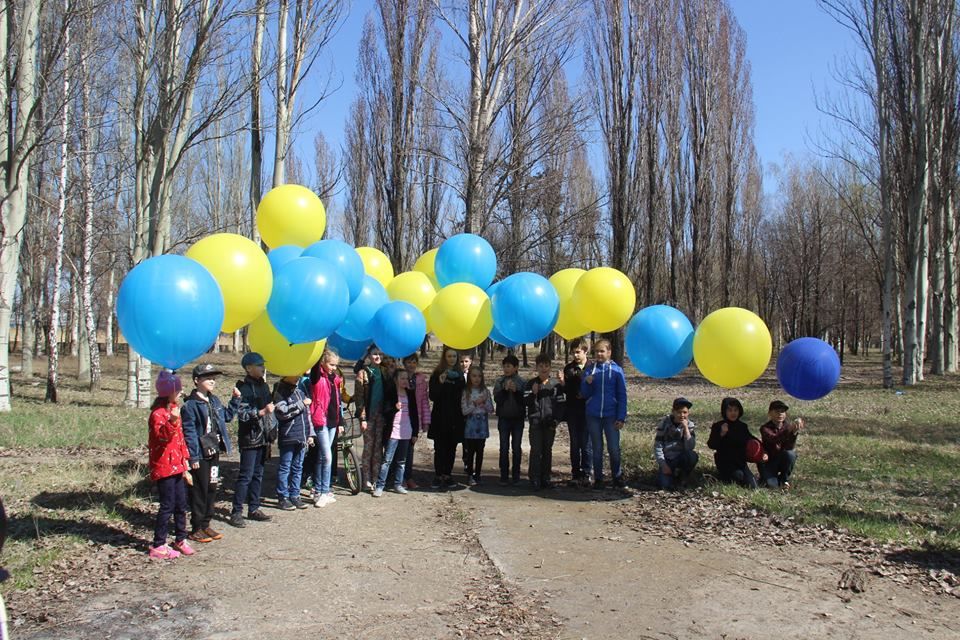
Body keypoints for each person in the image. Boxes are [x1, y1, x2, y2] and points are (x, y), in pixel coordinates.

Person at [182, 362, 239, 543]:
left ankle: (206, 523)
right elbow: (190, 433)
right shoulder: (190, 405)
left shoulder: (214, 401)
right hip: (200, 454)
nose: (212, 381)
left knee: (212, 488)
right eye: (208, 378)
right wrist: (194, 457)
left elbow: (227, 417)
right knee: (200, 489)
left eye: (214, 378)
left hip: (213, 451)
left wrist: (235, 400)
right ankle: (196, 526)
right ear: (196, 381)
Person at [147, 370, 194, 559]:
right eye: (178, 389)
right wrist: (173, 421)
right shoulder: (157, 414)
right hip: (164, 467)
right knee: (167, 505)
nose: (181, 392)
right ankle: (159, 544)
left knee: (181, 504)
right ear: (169, 391)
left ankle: (180, 538)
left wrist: (186, 464)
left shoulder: (174, 409)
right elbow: (161, 438)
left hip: (178, 466)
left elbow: (180, 440)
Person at [230, 353, 275, 528]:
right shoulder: (244, 388)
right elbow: (242, 415)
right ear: (248, 368)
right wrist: (262, 412)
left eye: (263, 364)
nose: (263, 367)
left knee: (258, 474)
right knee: (245, 476)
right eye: (258, 365)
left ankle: (254, 508)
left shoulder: (263, 386)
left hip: (263, 437)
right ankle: (236, 512)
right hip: (249, 438)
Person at [580, 339, 627, 489]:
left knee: (613, 448)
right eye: (597, 351)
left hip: (611, 415)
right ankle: (598, 479)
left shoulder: (616, 371)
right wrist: (587, 382)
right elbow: (584, 394)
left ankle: (617, 476)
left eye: (602, 351)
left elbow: (622, 395)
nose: (599, 354)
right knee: (597, 448)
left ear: (609, 352)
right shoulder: (590, 370)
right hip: (593, 415)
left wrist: (621, 417)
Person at [373, 369, 418, 497]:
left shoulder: (410, 393)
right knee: (387, 460)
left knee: (401, 460)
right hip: (393, 431)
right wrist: (394, 408)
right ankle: (380, 485)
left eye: (406, 378)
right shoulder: (390, 393)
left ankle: (398, 484)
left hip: (406, 431)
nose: (405, 381)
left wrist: (415, 433)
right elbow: (385, 410)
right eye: (402, 378)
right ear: (396, 380)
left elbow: (414, 414)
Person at [273, 374, 315, 510]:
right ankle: (283, 497)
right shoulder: (279, 391)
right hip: (288, 436)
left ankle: (295, 495)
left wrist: (311, 434)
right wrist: (301, 404)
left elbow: (307, 415)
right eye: (294, 374)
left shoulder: (300, 391)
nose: (297, 377)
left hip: (302, 436)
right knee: (285, 467)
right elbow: (282, 413)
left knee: (298, 467)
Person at [310, 349, 345, 506]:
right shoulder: (317, 377)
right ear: (323, 362)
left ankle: (321, 490)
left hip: (332, 422)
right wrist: (319, 348)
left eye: (335, 365)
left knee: (323, 457)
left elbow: (338, 402)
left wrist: (340, 422)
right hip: (321, 421)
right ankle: (323, 491)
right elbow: (315, 368)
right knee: (327, 457)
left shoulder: (336, 379)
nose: (333, 368)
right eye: (331, 364)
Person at [428, 346, 465, 489]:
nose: (452, 359)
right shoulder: (437, 374)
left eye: (454, 357)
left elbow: (462, 395)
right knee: (439, 447)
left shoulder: (460, 376)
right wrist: (440, 383)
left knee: (451, 447)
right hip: (440, 416)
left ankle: (448, 475)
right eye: (449, 356)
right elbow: (433, 396)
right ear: (444, 358)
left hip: (455, 417)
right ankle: (438, 475)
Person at [525, 354, 564, 490]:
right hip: (535, 422)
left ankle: (545, 477)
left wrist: (556, 420)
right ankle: (534, 478)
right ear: (536, 367)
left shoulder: (555, 385)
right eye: (541, 366)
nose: (544, 369)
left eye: (546, 366)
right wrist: (533, 394)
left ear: (550, 367)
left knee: (547, 450)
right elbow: (525, 402)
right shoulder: (531, 383)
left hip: (550, 423)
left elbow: (560, 405)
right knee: (536, 450)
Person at [706, 397, 760, 489]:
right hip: (725, 461)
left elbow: (751, 439)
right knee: (738, 476)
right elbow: (711, 444)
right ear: (725, 412)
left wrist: (762, 450)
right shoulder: (718, 426)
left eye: (735, 410)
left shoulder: (742, 426)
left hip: (740, 462)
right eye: (730, 410)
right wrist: (722, 434)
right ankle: (721, 477)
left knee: (753, 486)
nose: (733, 413)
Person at [354, 346, 386, 492]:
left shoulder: (386, 372)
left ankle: (376, 478)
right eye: (374, 354)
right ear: (369, 356)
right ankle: (366, 478)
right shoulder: (363, 373)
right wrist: (363, 418)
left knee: (378, 448)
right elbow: (359, 399)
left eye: (380, 354)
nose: (377, 356)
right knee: (368, 447)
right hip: (368, 416)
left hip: (381, 416)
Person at [562, 338, 592, 487]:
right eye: (573, 352)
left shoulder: (592, 367)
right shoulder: (568, 368)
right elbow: (567, 389)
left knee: (586, 442)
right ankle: (575, 473)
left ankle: (587, 473)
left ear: (585, 351)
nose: (575, 355)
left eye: (578, 352)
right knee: (575, 442)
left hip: (588, 410)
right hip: (573, 410)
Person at [492, 354, 525, 486]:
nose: (506, 369)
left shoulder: (522, 382)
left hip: (518, 419)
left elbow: (525, 401)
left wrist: (516, 391)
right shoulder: (499, 382)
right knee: (503, 447)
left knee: (516, 447)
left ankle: (516, 474)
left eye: (509, 366)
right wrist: (505, 391)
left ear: (516, 368)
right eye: (504, 366)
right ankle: (504, 475)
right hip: (504, 418)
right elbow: (497, 399)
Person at [654, 397, 699, 490]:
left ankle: (683, 476)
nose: (682, 415)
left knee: (692, 456)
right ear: (673, 412)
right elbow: (658, 446)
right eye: (679, 412)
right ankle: (671, 476)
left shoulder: (690, 426)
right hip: (667, 459)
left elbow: (690, 447)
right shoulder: (664, 424)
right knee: (665, 485)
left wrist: (686, 430)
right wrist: (663, 465)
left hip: (681, 458)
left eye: (685, 412)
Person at [402, 353, 431, 489]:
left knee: (410, 450)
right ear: (404, 363)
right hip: (400, 419)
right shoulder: (400, 378)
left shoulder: (420, 380)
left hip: (414, 420)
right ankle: (399, 477)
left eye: (414, 362)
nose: (411, 365)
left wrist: (426, 421)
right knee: (399, 450)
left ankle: (408, 477)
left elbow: (424, 401)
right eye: (409, 362)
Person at [461, 365, 493, 486]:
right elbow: (464, 410)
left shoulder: (485, 391)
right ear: (469, 377)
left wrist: (484, 402)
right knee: (470, 451)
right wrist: (475, 403)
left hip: (482, 424)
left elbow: (491, 409)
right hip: (470, 424)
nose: (477, 379)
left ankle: (478, 474)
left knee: (480, 450)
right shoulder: (466, 392)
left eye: (479, 376)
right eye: (474, 376)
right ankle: (469, 474)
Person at [760, 400, 803, 489]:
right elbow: (774, 439)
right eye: (777, 411)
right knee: (772, 486)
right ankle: (767, 478)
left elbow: (789, 447)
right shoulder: (765, 428)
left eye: (782, 411)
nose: (780, 414)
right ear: (770, 414)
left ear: (785, 414)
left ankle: (784, 479)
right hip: (769, 462)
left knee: (791, 454)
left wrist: (794, 433)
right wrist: (789, 430)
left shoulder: (787, 427)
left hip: (781, 459)